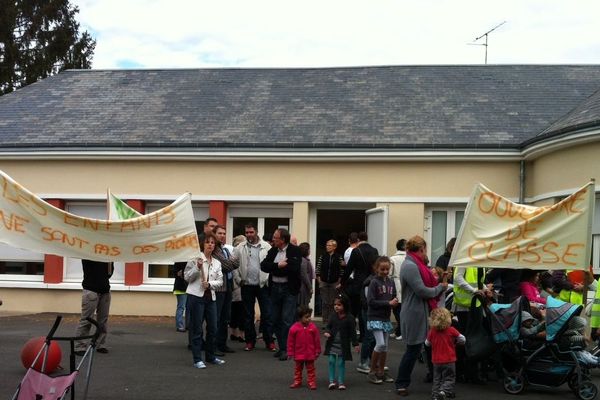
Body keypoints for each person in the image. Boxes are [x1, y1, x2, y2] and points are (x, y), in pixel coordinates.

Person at [395, 235, 447, 396]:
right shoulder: (410, 266)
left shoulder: (416, 264)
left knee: (427, 347)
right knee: (413, 349)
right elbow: (422, 291)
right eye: (425, 250)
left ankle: (434, 377)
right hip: (414, 313)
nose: (426, 253)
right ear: (420, 249)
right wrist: (440, 287)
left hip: (420, 312)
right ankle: (401, 383)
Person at [261, 228, 302, 361]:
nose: (273, 239)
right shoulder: (273, 250)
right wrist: (278, 265)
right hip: (275, 289)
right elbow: (264, 266)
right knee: (275, 319)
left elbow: (294, 268)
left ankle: (287, 349)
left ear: (283, 240)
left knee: (287, 319)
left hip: (288, 289)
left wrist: (275, 268)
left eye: (275, 237)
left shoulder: (295, 251)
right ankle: (282, 347)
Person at [232, 223, 275, 352]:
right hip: (247, 285)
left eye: (251, 232)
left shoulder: (267, 247)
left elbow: (271, 265)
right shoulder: (240, 247)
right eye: (247, 232)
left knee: (267, 314)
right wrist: (238, 280)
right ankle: (250, 341)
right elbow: (234, 265)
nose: (249, 235)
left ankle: (269, 341)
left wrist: (267, 279)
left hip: (263, 286)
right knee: (248, 315)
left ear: (256, 232)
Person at [185, 232, 225, 369]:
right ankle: (197, 359)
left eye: (213, 242)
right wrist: (197, 267)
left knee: (213, 328)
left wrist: (210, 284)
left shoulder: (217, 263)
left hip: (211, 298)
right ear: (202, 244)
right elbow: (187, 277)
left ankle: (210, 356)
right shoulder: (195, 259)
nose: (210, 244)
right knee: (197, 329)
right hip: (196, 297)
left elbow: (220, 281)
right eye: (207, 242)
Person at [341, 231, 379, 342]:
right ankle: (366, 334)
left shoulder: (356, 251)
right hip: (371, 282)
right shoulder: (374, 250)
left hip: (358, 283)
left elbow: (349, 269)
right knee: (367, 309)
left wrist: (343, 282)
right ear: (367, 238)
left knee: (355, 309)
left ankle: (353, 334)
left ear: (358, 240)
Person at [366, 256, 398, 384]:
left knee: (385, 346)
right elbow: (371, 301)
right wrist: (388, 303)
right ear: (376, 268)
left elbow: (394, 296)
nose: (385, 271)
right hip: (375, 317)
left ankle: (381, 371)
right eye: (382, 269)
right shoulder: (374, 282)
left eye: (387, 269)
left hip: (385, 318)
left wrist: (395, 301)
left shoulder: (391, 282)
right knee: (380, 344)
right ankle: (372, 371)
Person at [74, 259, 114, 355]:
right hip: (91, 290)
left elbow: (109, 273)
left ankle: (100, 344)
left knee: (103, 320)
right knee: (86, 319)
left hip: (105, 291)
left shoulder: (108, 257)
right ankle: (80, 346)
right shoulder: (89, 254)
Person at [212, 224, 240, 355]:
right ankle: (214, 346)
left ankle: (222, 344)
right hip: (219, 288)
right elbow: (228, 265)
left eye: (224, 233)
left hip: (228, 285)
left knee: (225, 317)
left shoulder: (225, 250)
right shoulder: (214, 250)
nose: (222, 236)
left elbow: (236, 262)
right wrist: (230, 261)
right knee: (216, 318)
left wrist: (230, 261)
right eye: (219, 233)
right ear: (214, 234)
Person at [426, 307, 465, 400]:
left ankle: (435, 395)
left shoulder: (432, 331)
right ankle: (443, 391)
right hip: (449, 359)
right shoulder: (451, 330)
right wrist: (458, 342)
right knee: (449, 378)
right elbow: (462, 339)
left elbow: (427, 343)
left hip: (436, 360)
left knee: (437, 379)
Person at [323, 294, 359, 390]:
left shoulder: (350, 318)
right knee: (331, 361)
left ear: (345, 305)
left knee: (341, 363)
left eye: (339, 305)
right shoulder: (332, 316)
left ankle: (341, 382)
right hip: (332, 344)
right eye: (335, 304)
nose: (336, 306)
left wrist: (355, 344)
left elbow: (353, 332)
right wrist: (327, 332)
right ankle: (331, 382)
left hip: (343, 345)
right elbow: (328, 326)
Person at [287, 305, 321, 390]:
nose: (309, 319)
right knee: (298, 369)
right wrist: (290, 352)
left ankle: (312, 382)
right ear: (300, 318)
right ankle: (297, 381)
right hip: (298, 353)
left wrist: (317, 350)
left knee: (311, 369)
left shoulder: (313, 327)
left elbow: (317, 340)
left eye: (309, 316)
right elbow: (290, 342)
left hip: (310, 353)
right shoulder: (294, 328)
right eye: (306, 317)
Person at [316, 239, 344, 325]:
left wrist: (339, 282)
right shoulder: (323, 256)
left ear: (334, 247)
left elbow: (342, 271)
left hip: (334, 283)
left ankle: (332, 321)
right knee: (325, 303)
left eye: (329, 245)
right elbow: (318, 269)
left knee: (333, 303)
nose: (327, 247)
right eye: (327, 245)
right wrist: (319, 281)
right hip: (324, 282)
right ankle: (325, 322)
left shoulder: (339, 257)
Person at [229, 234, 247, 343]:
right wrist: (240, 281)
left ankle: (234, 333)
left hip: (237, 287)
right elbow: (235, 270)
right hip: (239, 286)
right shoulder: (237, 253)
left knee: (235, 311)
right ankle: (240, 334)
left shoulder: (235, 253)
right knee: (240, 311)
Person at [389, 239, 406, 339]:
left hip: (396, 284)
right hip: (406, 284)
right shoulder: (409, 258)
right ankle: (399, 331)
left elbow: (390, 273)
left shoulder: (393, 258)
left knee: (397, 309)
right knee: (402, 309)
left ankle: (402, 331)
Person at [172, 261, 189, 332]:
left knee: (188, 308)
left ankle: (187, 325)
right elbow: (175, 273)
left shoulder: (189, 261)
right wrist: (179, 274)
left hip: (188, 288)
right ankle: (180, 326)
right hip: (181, 289)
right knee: (181, 307)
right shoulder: (179, 262)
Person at [298, 242, 314, 308]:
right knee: (303, 307)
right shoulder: (303, 260)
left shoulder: (305, 260)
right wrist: (310, 287)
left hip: (304, 287)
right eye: (309, 249)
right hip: (303, 288)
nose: (310, 251)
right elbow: (304, 275)